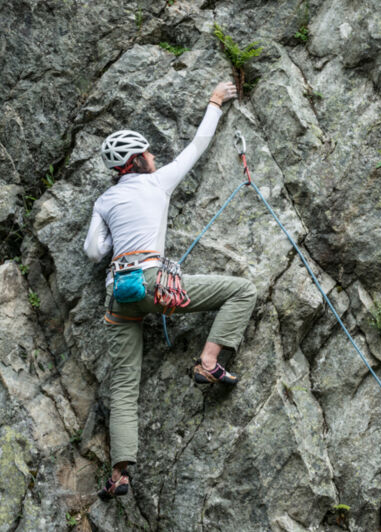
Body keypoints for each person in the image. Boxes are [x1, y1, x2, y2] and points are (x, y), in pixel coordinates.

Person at [82, 80, 257, 500]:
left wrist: (116, 243)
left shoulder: (105, 201)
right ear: (137, 160)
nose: (154, 156)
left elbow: (93, 251)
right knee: (242, 290)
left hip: (117, 293)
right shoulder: (158, 182)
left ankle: (121, 473)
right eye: (147, 152)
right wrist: (215, 101)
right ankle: (209, 362)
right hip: (152, 283)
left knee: (124, 385)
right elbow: (197, 146)